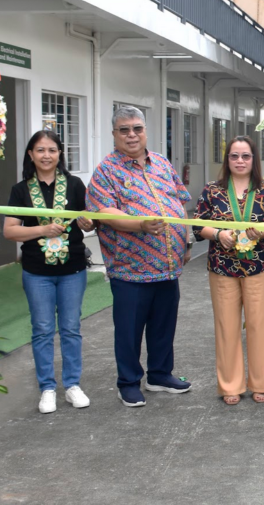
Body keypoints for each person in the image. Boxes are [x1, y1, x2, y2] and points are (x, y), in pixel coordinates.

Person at [87, 105, 193, 408]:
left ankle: (159, 375)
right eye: (124, 130)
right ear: (114, 134)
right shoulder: (106, 171)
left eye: (137, 128)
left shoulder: (161, 163)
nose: (131, 135)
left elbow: (179, 202)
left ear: (145, 131)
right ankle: (128, 382)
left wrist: (186, 242)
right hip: (130, 269)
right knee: (129, 330)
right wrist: (140, 225)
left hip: (168, 266)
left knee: (164, 325)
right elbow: (105, 213)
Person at [4, 130, 96, 414]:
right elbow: (10, 231)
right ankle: (47, 388)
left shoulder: (75, 185)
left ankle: (72, 385)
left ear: (60, 154)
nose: (46, 155)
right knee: (42, 329)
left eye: (52, 150)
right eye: (41, 150)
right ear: (31, 154)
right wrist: (42, 229)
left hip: (73, 269)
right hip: (36, 271)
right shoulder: (20, 189)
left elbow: (90, 220)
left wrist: (88, 223)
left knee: (71, 328)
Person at [195, 136, 264, 405]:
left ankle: (260, 383)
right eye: (234, 156)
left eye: (245, 156)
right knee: (226, 327)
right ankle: (230, 385)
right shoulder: (212, 190)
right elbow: (198, 225)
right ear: (227, 159)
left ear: (254, 159)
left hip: (259, 266)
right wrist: (218, 234)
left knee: (259, 326)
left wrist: (261, 232)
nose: (240, 161)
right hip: (222, 267)